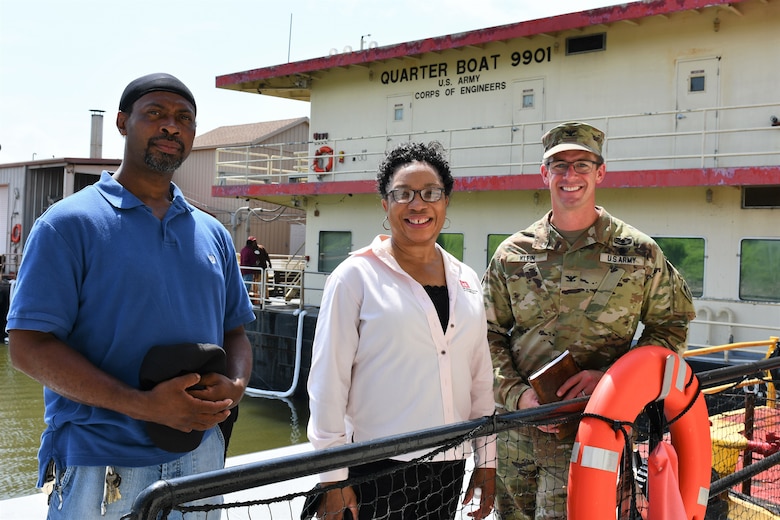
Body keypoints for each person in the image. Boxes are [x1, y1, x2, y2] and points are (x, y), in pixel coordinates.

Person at [6, 73, 255, 520]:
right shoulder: (68, 225)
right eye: (155, 113)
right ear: (122, 123)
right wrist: (142, 405)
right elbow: (28, 348)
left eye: (184, 118)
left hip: (199, 459)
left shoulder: (213, 233)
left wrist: (234, 388)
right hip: (99, 463)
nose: (171, 127)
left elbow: (235, 333)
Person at [482, 121, 696, 519]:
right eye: (559, 165)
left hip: (596, 435)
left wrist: (610, 380)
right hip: (517, 438)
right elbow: (486, 334)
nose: (570, 175)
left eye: (582, 164)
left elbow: (672, 325)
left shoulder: (640, 253)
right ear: (544, 173)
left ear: (600, 172)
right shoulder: (512, 253)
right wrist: (519, 396)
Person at [307, 141, 496, 520]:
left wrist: (486, 461)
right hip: (375, 466)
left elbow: (480, 380)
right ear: (385, 204)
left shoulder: (468, 280)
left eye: (431, 193)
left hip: (449, 466)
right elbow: (329, 384)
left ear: (445, 202)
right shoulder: (354, 278)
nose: (418, 204)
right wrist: (332, 480)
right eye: (403, 194)